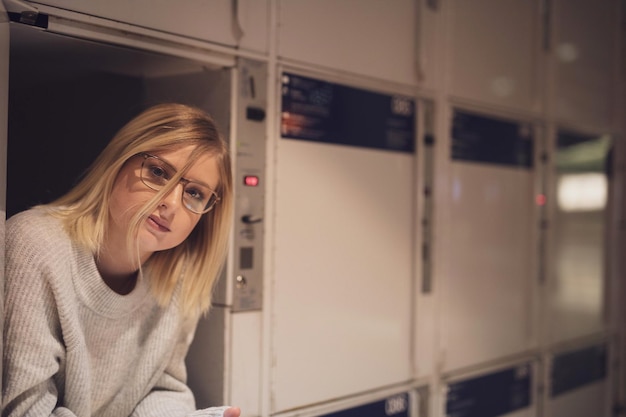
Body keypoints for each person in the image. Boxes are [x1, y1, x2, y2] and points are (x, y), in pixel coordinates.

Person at [3, 103, 241, 417]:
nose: (170, 203)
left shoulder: (180, 274)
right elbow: (24, 410)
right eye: (158, 172)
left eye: (195, 193)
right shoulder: (35, 243)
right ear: (119, 160)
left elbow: (161, 386)